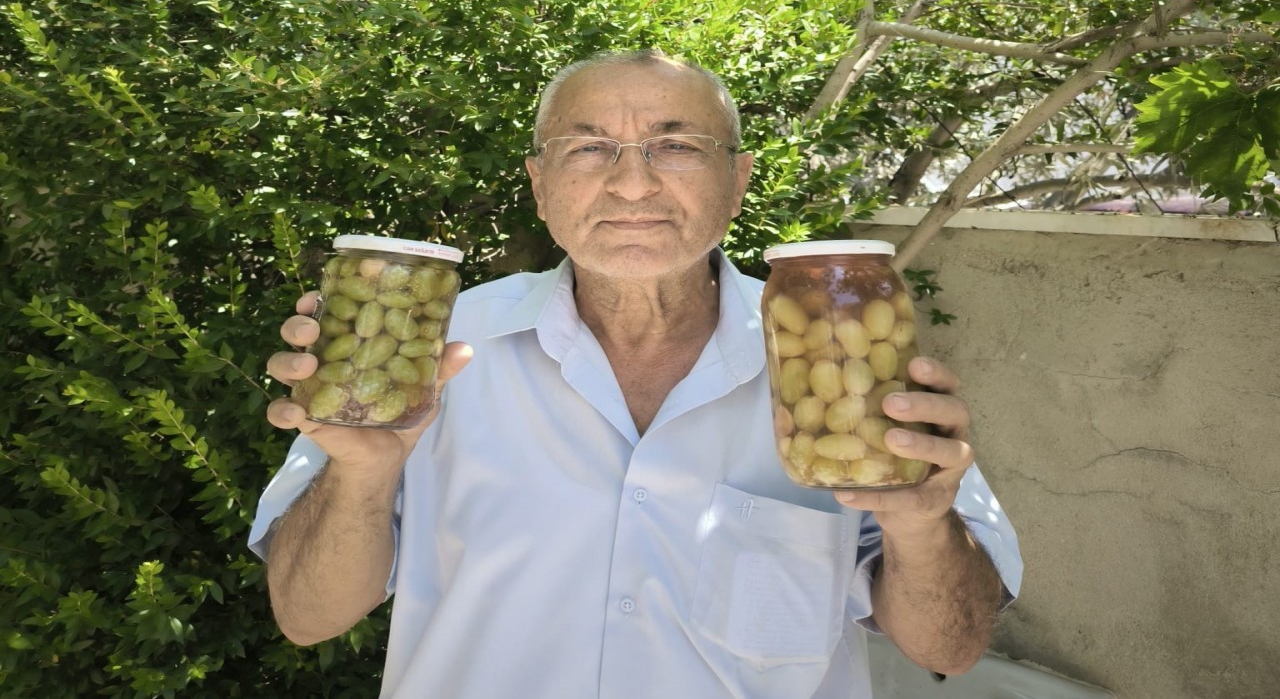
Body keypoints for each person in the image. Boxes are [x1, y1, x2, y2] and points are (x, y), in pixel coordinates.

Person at [249, 48, 1022, 698]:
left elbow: (947, 649)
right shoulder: (424, 350)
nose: (632, 184)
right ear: (539, 183)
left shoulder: (847, 359)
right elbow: (306, 615)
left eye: (675, 146)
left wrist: (921, 525)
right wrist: (359, 475)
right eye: (588, 148)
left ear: (739, 179)